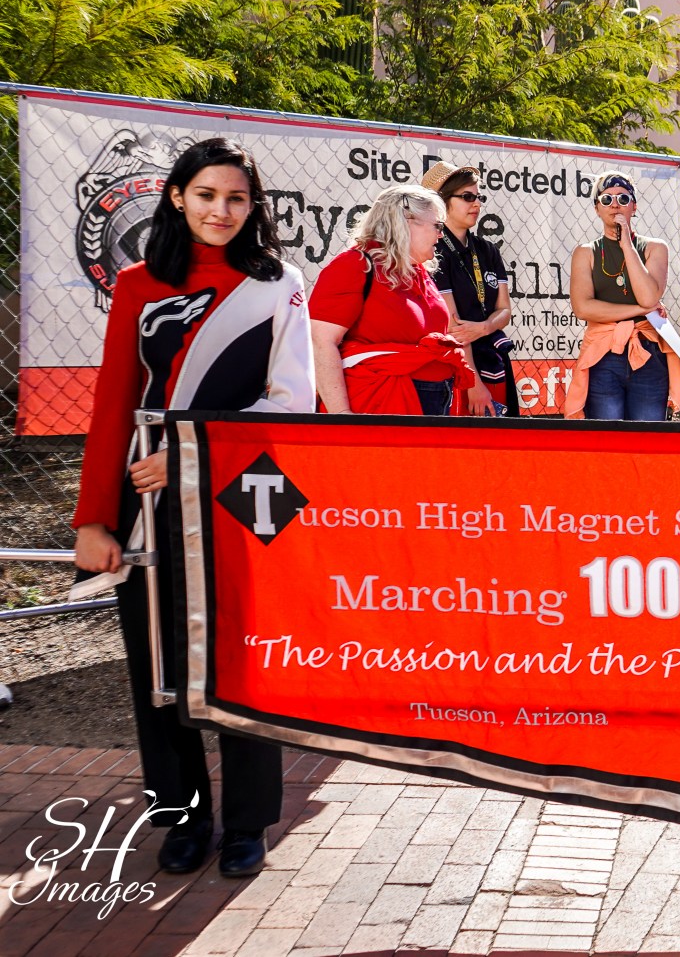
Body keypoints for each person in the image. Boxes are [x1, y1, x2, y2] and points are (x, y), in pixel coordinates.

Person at [73, 138, 315, 880]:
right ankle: (180, 817)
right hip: (146, 497)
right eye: (207, 195)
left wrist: (189, 455)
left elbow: (291, 403)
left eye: (237, 198)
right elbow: (114, 400)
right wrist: (93, 518)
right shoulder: (139, 282)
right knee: (156, 664)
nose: (221, 210)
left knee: (242, 662)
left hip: (243, 492)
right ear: (177, 197)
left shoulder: (279, 283)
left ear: (253, 206)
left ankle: (246, 823)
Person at [311, 185, 472, 416]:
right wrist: (342, 415)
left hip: (434, 399)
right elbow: (321, 342)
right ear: (405, 221)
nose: (441, 234)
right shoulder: (355, 265)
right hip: (382, 401)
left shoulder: (416, 270)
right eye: (437, 226)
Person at [563, 173, 678, 421]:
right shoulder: (585, 252)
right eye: (606, 199)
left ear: (634, 206)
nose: (615, 204)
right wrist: (639, 311)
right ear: (597, 208)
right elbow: (583, 308)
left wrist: (626, 244)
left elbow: (648, 297)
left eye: (623, 199)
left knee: (647, 437)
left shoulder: (655, 247)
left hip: (647, 352)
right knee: (607, 436)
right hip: (604, 353)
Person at [425, 161, 518, 418]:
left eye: (479, 197)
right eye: (467, 197)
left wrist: (485, 327)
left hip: (492, 356)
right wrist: (473, 383)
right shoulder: (434, 250)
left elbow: (504, 311)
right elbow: (454, 328)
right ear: (442, 201)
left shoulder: (487, 250)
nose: (476, 204)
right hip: (457, 365)